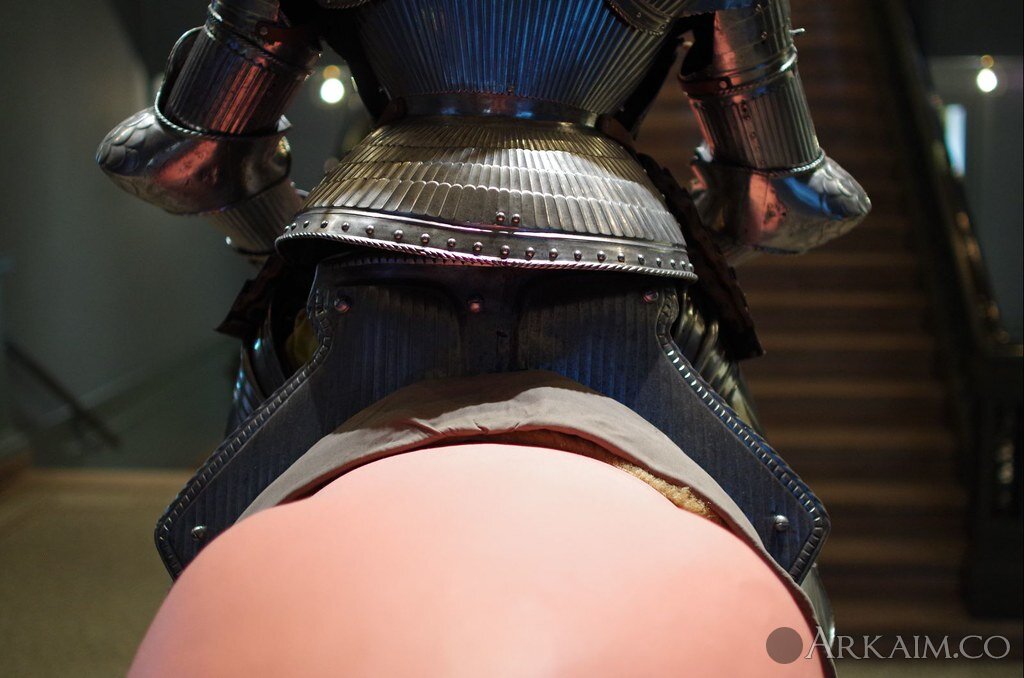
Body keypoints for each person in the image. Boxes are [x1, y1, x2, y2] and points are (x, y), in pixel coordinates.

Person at [98, 1, 867, 674]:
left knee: (217, 517)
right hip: (613, 257)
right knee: (775, 526)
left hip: (376, 241)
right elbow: (781, 201)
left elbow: (185, 164)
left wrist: (282, 245)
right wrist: (700, 238)